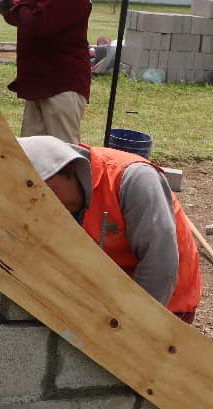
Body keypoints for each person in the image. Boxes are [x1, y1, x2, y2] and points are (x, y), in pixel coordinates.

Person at [19, 136, 202, 323]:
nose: (48, 206)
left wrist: (131, 326)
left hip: (165, 303)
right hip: (111, 298)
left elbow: (160, 267)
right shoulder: (60, 198)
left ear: (71, 168)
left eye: (52, 192)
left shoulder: (133, 179)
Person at [0, 0, 92, 144]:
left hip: (62, 85)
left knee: (63, 156)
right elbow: (22, 18)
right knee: (33, 156)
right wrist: (10, 8)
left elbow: (37, 23)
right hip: (39, 82)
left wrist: (15, 1)